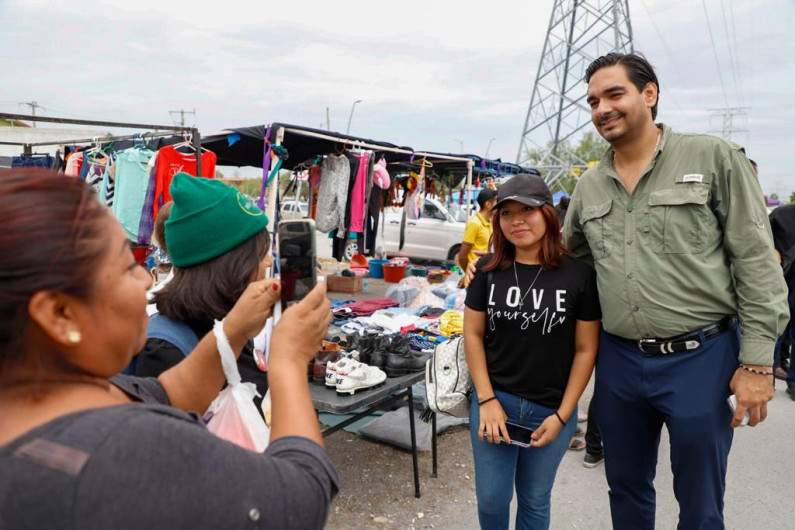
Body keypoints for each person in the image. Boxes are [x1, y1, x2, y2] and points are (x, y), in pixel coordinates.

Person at [0, 169, 338, 529]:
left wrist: (233, 331)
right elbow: (301, 499)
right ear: (60, 314)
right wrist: (289, 362)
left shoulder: (49, 400)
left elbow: (165, 393)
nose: (148, 278)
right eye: (127, 265)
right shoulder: (131, 448)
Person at [563, 52, 789, 529]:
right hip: (620, 361)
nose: (602, 107)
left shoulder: (712, 158)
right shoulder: (590, 187)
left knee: (701, 499)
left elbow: (756, 262)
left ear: (649, 94)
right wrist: (499, 271)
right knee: (624, 488)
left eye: (614, 94)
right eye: (593, 100)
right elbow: (571, 265)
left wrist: (757, 363)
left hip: (700, 359)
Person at [464, 173, 601, 529]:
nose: (516, 220)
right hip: (495, 404)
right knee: (492, 500)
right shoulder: (487, 269)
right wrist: (486, 400)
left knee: (535, 499)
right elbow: (473, 335)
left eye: (527, 209)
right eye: (506, 213)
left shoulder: (580, 275)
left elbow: (586, 349)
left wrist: (563, 416)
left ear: (549, 214)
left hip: (551, 410)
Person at [134, 174, 272, 411]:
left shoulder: (228, 321)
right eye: (260, 254)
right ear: (229, 265)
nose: (269, 262)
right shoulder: (166, 349)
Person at [770, 203, 795, 398]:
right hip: (780, 283)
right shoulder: (781, 214)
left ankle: (793, 382)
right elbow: (763, 241)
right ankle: (766, 377)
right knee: (775, 333)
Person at [458, 188, 498, 286]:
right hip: (474, 278)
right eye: (497, 201)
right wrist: (468, 273)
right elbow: (462, 256)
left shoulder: (489, 223)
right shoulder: (475, 224)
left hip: (485, 276)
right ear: (488, 204)